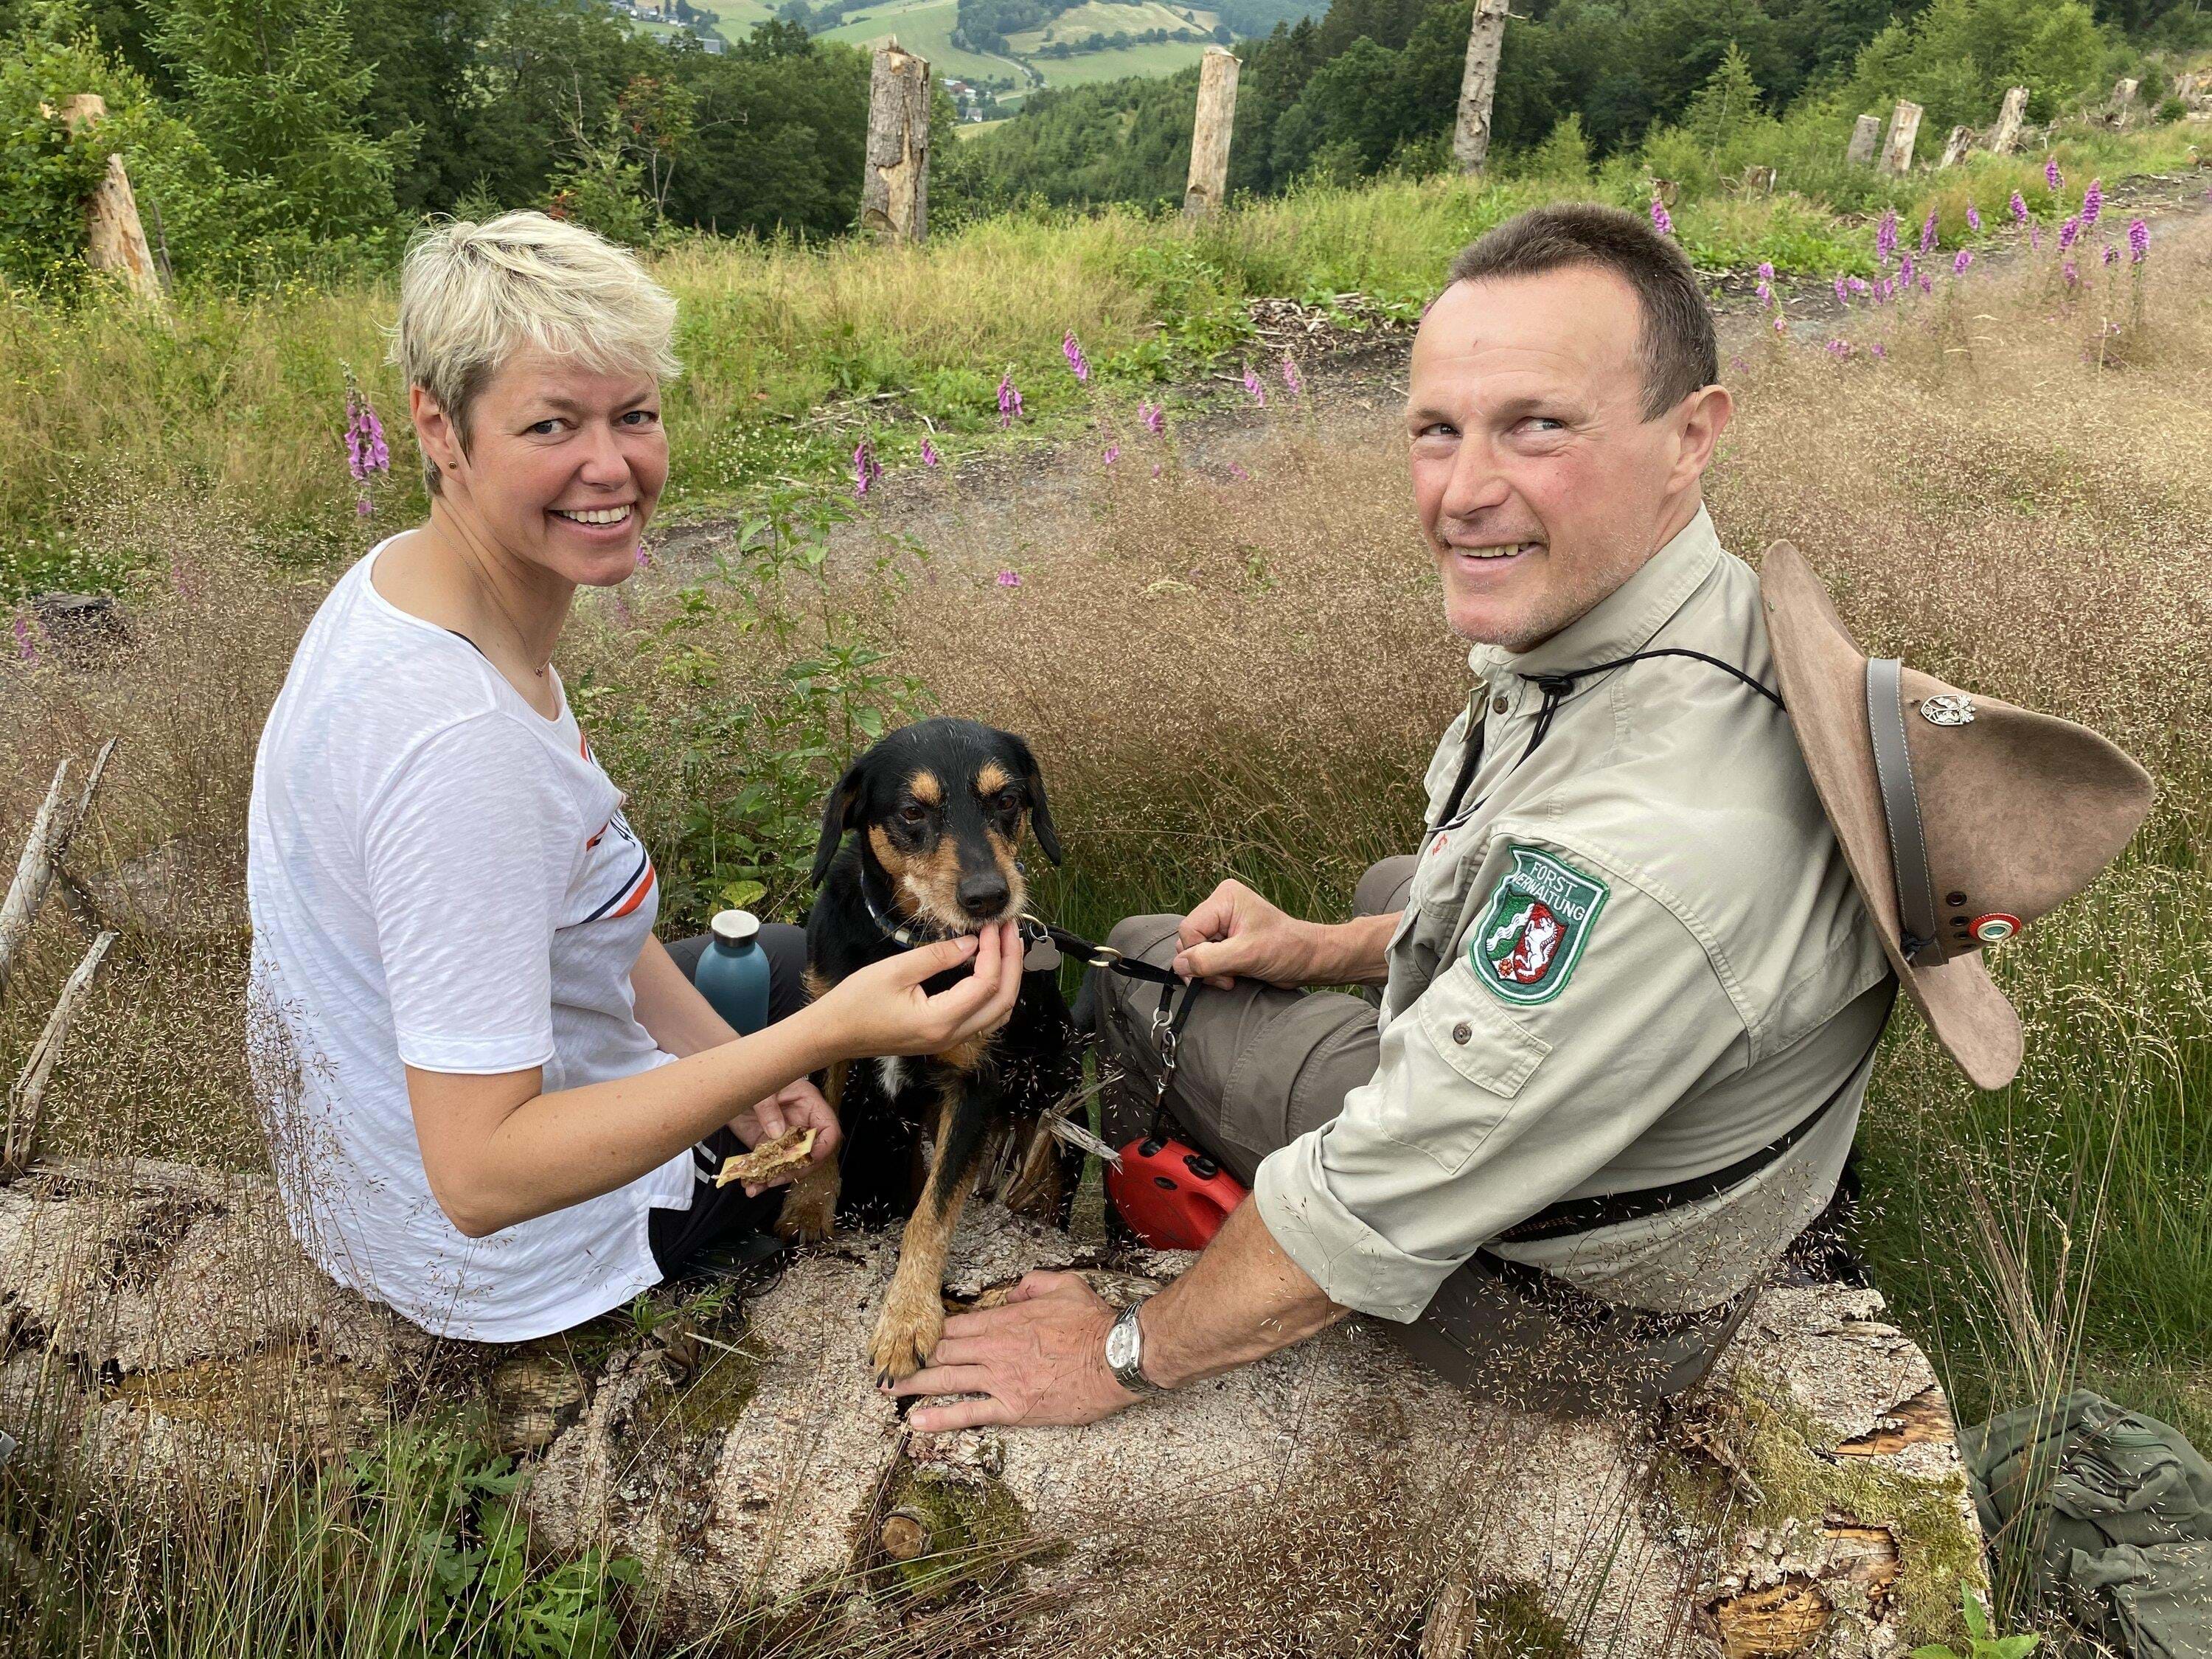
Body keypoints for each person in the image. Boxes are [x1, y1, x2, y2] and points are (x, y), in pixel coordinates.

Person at [885, 204, 1985, 1429]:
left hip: (1570, 1318)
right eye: (1436, 430)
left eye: (1538, 426)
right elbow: (1494, 888)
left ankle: (1158, 1229)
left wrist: (1119, 1354)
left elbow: (1370, 1202)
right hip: (1703, 1157)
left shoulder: (1642, 849)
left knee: (1144, 962)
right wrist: (1318, 948)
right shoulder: (1682, 628)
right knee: (1385, 886)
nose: (1465, 491)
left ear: (1692, 435)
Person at [246, 212, 1024, 1343]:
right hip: (523, 1252)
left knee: (788, 980)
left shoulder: (406, 595)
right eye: (551, 423)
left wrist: (736, 1063)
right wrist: (805, 1046)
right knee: (842, 1007)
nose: (610, 465)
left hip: (375, 1192)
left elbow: (585, 916)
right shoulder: (461, 749)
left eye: (636, 414)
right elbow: (481, 1176)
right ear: (437, 425)